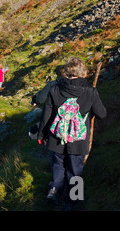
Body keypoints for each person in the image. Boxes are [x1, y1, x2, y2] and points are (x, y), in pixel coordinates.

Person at [37, 57, 107, 203]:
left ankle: (54, 191)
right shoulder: (90, 92)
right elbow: (102, 114)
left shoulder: (55, 89)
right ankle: (74, 199)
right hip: (78, 140)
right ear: (83, 73)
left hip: (57, 138)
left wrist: (41, 134)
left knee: (58, 165)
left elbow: (46, 114)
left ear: (66, 72)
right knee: (76, 168)